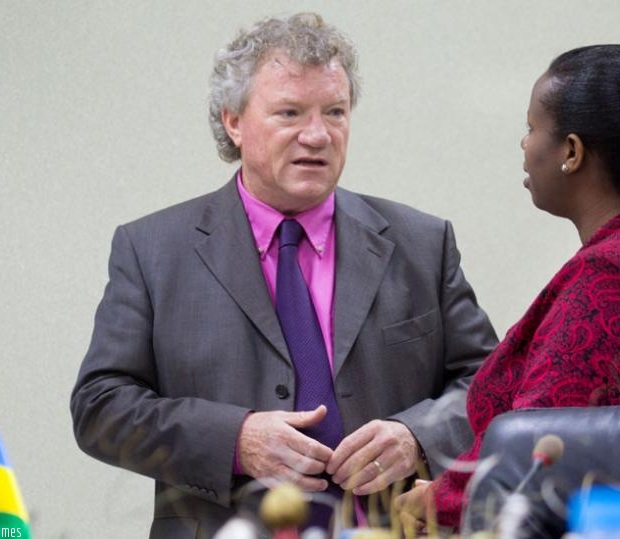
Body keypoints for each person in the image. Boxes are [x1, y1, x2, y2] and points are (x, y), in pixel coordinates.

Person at [69, 12, 497, 538]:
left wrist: (417, 435)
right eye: (290, 112)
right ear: (233, 121)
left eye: (335, 112)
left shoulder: (421, 243)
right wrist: (234, 439)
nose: (317, 135)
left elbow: (493, 384)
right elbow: (101, 408)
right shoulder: (153, 250)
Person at [394, 44, 620, 533]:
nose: (524, 145)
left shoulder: (617, 274)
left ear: (571, 151)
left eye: (531, 128)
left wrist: (437, 500)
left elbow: (539, 450)